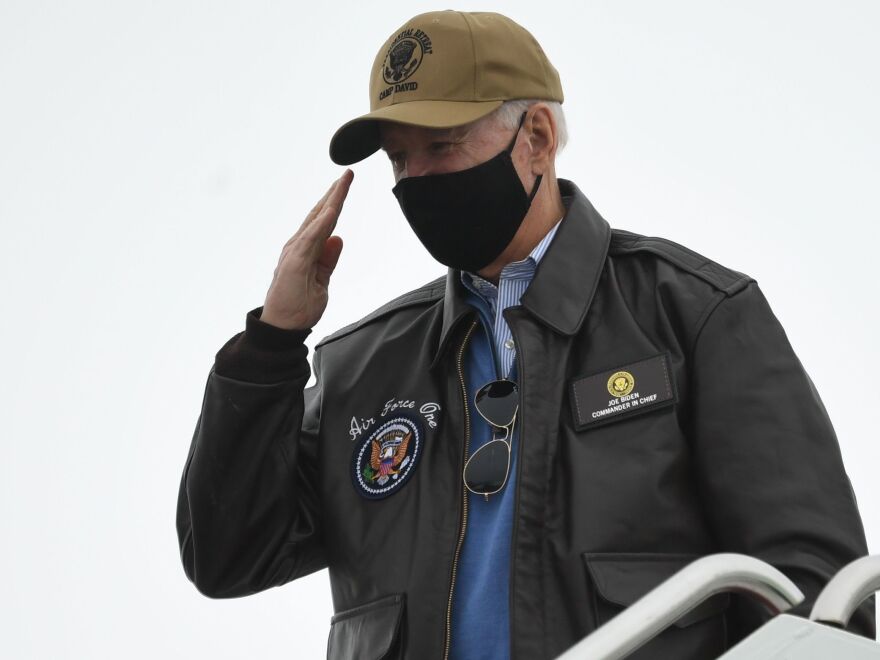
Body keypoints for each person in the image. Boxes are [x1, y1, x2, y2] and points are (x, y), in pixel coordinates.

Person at [176, 10, 874, 660]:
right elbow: (229, 555)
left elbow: (817, 599)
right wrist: (272, 343)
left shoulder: (694, 315)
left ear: (536, 137)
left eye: (441, 146)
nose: (415, 179)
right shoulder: (360, 370)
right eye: (398, 158)